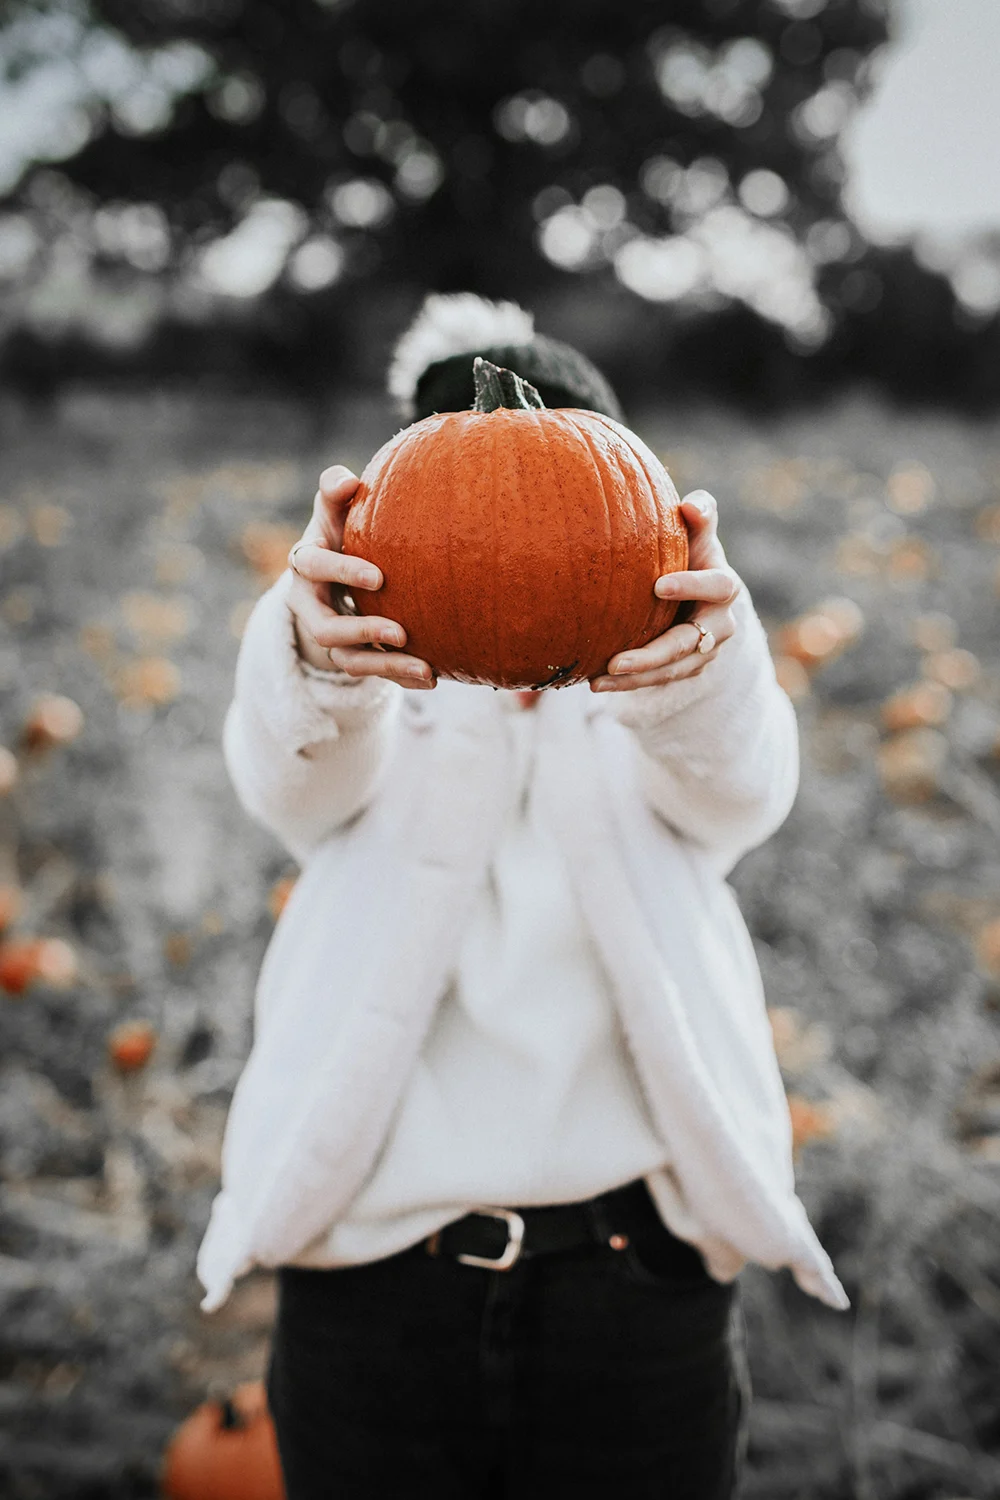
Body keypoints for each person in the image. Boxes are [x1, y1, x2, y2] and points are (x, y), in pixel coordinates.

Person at [197, 293, 848, 1499]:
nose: (518, 553)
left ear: (632, 528)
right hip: (379, 1272)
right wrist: (311, 659)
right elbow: (286, 777)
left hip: (634, 1275)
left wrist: (701, 673)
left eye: (561, 520)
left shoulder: (649, 705)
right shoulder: (377, 696)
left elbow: (740, 789)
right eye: (478, 528)